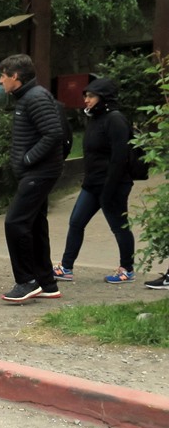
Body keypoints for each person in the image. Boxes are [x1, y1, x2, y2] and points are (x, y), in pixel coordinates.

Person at [51, 79, 136, 285]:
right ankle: (66, 267)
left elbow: (119, 158)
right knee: (76, 222)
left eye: (91, 96)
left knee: (119, 227)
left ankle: (127, 269)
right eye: (85, 96)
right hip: (92, 184)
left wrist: (109, 189)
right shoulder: (95, 119)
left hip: (113, 185)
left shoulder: (115, 120)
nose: (86, 100)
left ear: (103, 98)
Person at [0, 54, 65, 302]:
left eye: (3, 75)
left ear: (15, 76)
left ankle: (26, 281)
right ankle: (47, 284)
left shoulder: (35, 97)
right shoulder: (27, 97)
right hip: (36, 171)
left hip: (40, 172)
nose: (1, 81)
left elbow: (53, 133)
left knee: (15, 222)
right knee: (35, 225)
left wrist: (27, 159)